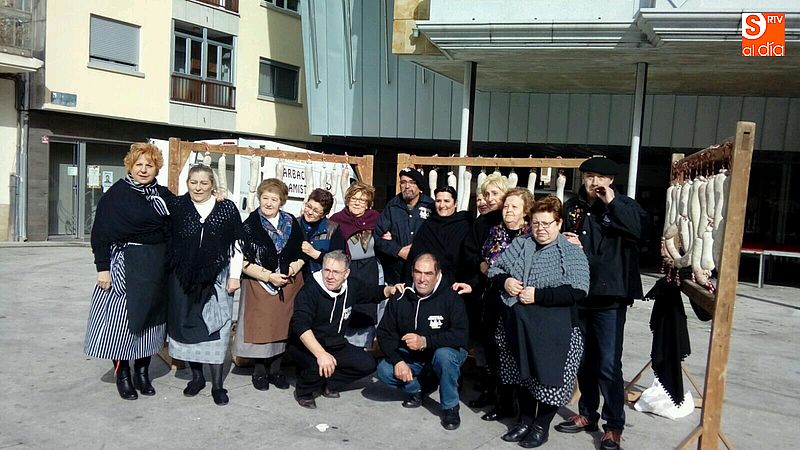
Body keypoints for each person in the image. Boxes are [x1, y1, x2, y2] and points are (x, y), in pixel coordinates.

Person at [556, 157, 648, 450]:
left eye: (601, 177)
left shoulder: (625, 206)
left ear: (611, 180)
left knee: (608, 363)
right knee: (584, 360)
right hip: (580, 293)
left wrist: (613, 204)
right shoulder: (573, 208)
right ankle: (587, 414)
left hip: (610, 297)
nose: (594, 182)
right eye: (589, 176)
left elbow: (641, 233)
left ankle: (614, 425)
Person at [488, 196, 590, 448]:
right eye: (536, 223)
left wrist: (539, 295)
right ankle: (524, 421)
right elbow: (495, 269)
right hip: (520, 324)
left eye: (547, 223)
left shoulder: (570, 252)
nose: (541, 229)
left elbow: (578, 290)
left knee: (549, 379)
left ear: (559, 223)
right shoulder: (521, 244)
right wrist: (506, 282)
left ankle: (540, 426)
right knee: (522, 374)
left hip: (556, 328)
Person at [85, 143, 171, 400]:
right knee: (120, 324)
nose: (144, 170)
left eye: (149, 165)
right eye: (139, 165)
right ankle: (123, 375)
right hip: (123, 264)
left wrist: (216, 196)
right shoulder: (116, 195)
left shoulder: (164, 195)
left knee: (150, 324)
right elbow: (100, 233)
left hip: (155, 267)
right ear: (130, 166)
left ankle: (142, 373)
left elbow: (187, 211)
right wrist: (103, 269)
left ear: (157, 168)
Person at [165, 165, 243, 406]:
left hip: (217, 279)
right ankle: (197, 378)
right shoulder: (176, 207)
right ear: (187, 183)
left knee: (216, 329)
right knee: (189, 330)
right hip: (183, 279)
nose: (198, 187)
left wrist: (235, 275)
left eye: (203, 183)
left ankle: (218, 386)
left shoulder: (225, 208)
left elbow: (237, 243)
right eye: (193, 182)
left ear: (213, 185)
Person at [287, 251, 400, 409]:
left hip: (336, 343)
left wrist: (390, 290)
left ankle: (328, 383)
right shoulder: (309, 291)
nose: (330, 276)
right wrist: (321, 354)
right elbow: (301, 326)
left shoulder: (351, 286)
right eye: (327, 270)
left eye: (336, 272)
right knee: (316, 367)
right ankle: (304, 392)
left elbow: (371, 293)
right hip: (306, 346)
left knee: (367, 364)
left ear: (346, 273)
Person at [376, 253, 469, 431]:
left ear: (438, 274)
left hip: (443, 353)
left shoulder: (451, 297)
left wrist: (426, 341)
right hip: (413, 357)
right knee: (384, 370)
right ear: (412, 272)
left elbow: (461, 335)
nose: (422, 279)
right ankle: (417, 389)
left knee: (445, 357)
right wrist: (398, 361)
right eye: (418, 272)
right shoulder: (400, 297)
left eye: (428, 274)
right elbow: (384, 333)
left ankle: (450, 407)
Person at [233, 178, 305, 392]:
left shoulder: (292, 222)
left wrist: (290, 270)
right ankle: (260, 372)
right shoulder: (249, 225)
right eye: (265, 198)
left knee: (283, 328)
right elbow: (242, 261)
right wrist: (268, 276)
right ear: (259, 198)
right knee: (262, 330)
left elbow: (302, 251)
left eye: (274, 199)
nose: (269, 203)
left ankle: (276, 370)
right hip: (260, 284)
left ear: (282, 201)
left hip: (289, 283)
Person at [477, 187, 533, 421]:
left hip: (521, 302)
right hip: (494, 298)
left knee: (516, 353)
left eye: (514, 207)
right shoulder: (495, 231)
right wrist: (494, 274)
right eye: (506, 206)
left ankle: (520, 406)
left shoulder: (531, 235)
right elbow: (483, 262)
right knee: (495, 351)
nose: (508, 210)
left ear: (525, 211)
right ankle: (501, 401)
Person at [462, 174, 511, 410]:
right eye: (487, 194)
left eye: (495, 194)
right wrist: (480, 263)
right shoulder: (481, 222)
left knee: (505, 347)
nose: (490, 199)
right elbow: (469, 252)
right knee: (485, 345)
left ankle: (506, 396)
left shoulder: (514, 220)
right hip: (484, 291)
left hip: (509, 292)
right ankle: (489, 389)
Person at [329, 182, 383, 347]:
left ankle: (365, 346)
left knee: (369, 305)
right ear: (347, 200)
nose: (358, 202)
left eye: (362, 200)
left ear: (368, 204)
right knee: (348, 304)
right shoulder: (337, 220)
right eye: (354, 198)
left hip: (371, 269)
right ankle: (344, 345)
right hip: (348, 269)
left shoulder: (377, 219)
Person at [375, 167, 434, 284]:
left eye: (412, 182)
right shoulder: (392, 207)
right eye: (403, 182)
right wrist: (399, 250)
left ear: (419, 186)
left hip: (424, 271)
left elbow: (437, 235)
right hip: (397, 273)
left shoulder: (430, 206)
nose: (407, 186)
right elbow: (378, 238)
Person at [406, 185, 473, 281]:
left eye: (446, 201)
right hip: (429, 281)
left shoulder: (465, 225)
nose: (442, 205)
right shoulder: (428, 226)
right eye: (438, 201)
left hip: (456, 281)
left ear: (455, 203)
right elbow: (414, 256)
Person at [298, 188, 345, 279]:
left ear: (324, 214)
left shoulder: (333, 229)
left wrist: (315, 254)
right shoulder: (293, 224)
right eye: (308, 206)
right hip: (297, 281)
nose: (310, 212)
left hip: (320, 280)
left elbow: (339, 260)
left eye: (316, 211)